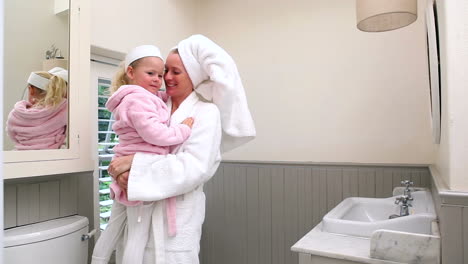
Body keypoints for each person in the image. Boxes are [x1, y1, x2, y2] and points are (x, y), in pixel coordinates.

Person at [92, 34, 256, 264]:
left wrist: (134, 164)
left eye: (175, 72)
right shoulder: (153, 103)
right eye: (164, 70)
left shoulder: (206, 113)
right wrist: (122, 169)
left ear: (194, 75)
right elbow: (127, 139)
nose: (165, 77)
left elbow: (195, 167)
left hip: (174, 226)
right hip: (136, 215)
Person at [92, 45, 195, 263]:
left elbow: (164, 97)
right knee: (137, 236)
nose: (158, 80)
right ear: (130, 72)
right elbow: (154, 133)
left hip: (128, 165)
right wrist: (182, 130)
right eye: (151, 74)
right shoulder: (139, 99)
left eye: (160, 74)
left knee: (114, 226)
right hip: (139, 173)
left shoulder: (138, 96)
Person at [6, 67, 68, 150]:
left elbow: (12, 135)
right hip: (53, 156)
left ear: (31, 90)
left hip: (21, 155)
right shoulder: (63, 109)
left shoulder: (16, 114)